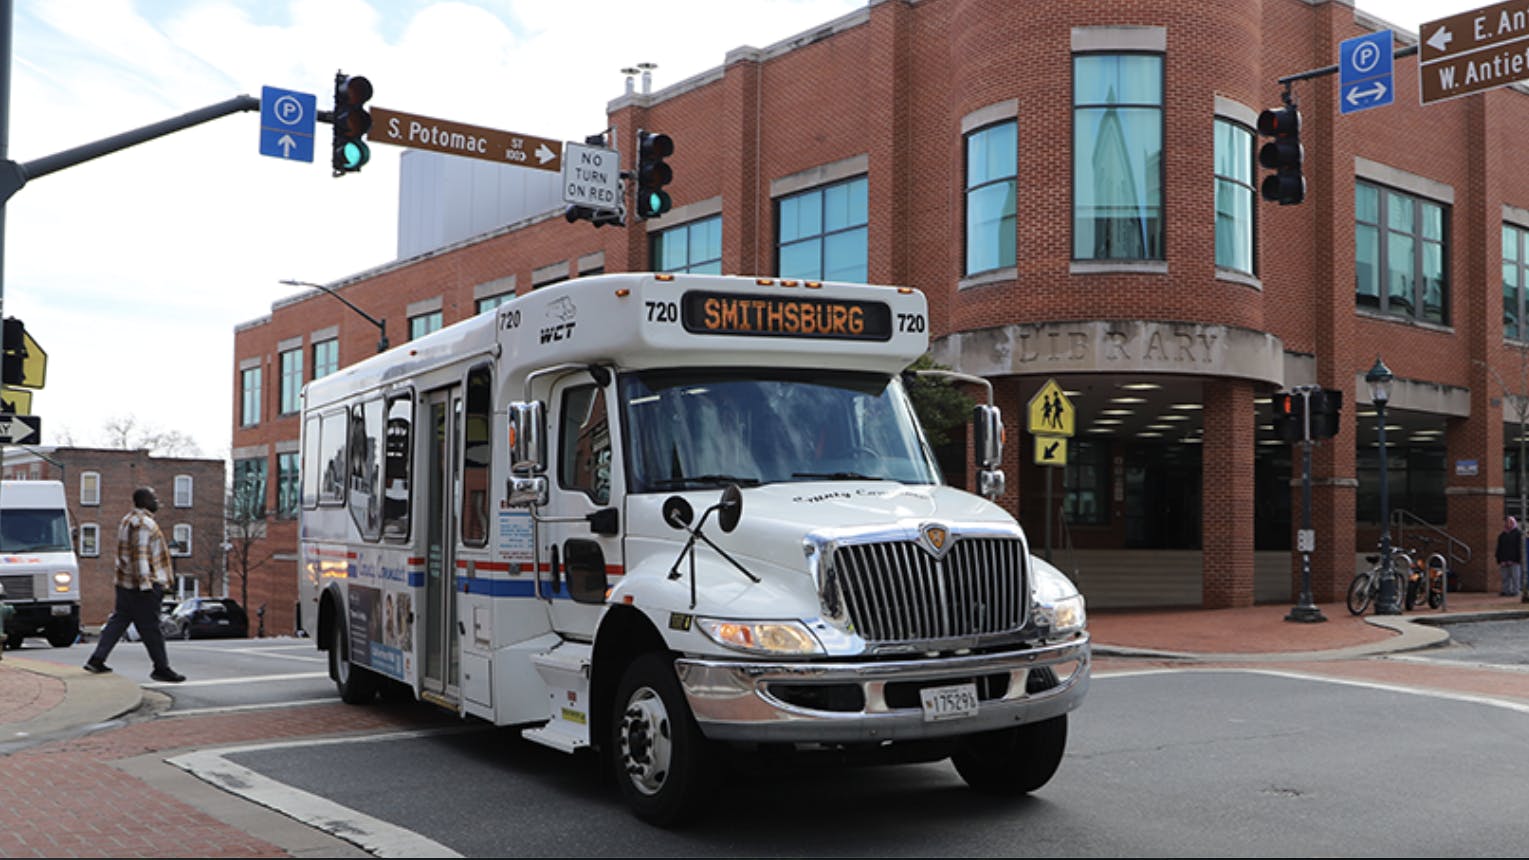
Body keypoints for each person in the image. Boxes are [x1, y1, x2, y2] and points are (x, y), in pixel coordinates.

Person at [82, 487, 185, 683]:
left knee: (119, 621)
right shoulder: (145, 524)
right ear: (145, 501)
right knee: (151, 628)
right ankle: (161, 668)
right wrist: (146, 586)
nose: (158, 501)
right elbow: (140, 556)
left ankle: (96, 659)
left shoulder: (126, 520)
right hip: (141, 586)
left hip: (124, 583)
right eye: (154, 498)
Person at [1495, 515, 1523, 598]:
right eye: (1507, 522)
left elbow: (1519, 547)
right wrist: (1499, 559)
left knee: (1515, 576)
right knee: (1505, 577)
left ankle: (1516, 591)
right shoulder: (1502, 535)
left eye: (1510, 522)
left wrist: (1517, 559)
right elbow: (1499, 547)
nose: (1508, 524)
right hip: (1504, 560)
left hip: (1514, 560)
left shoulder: (1518, 534)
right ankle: (1506, 590)